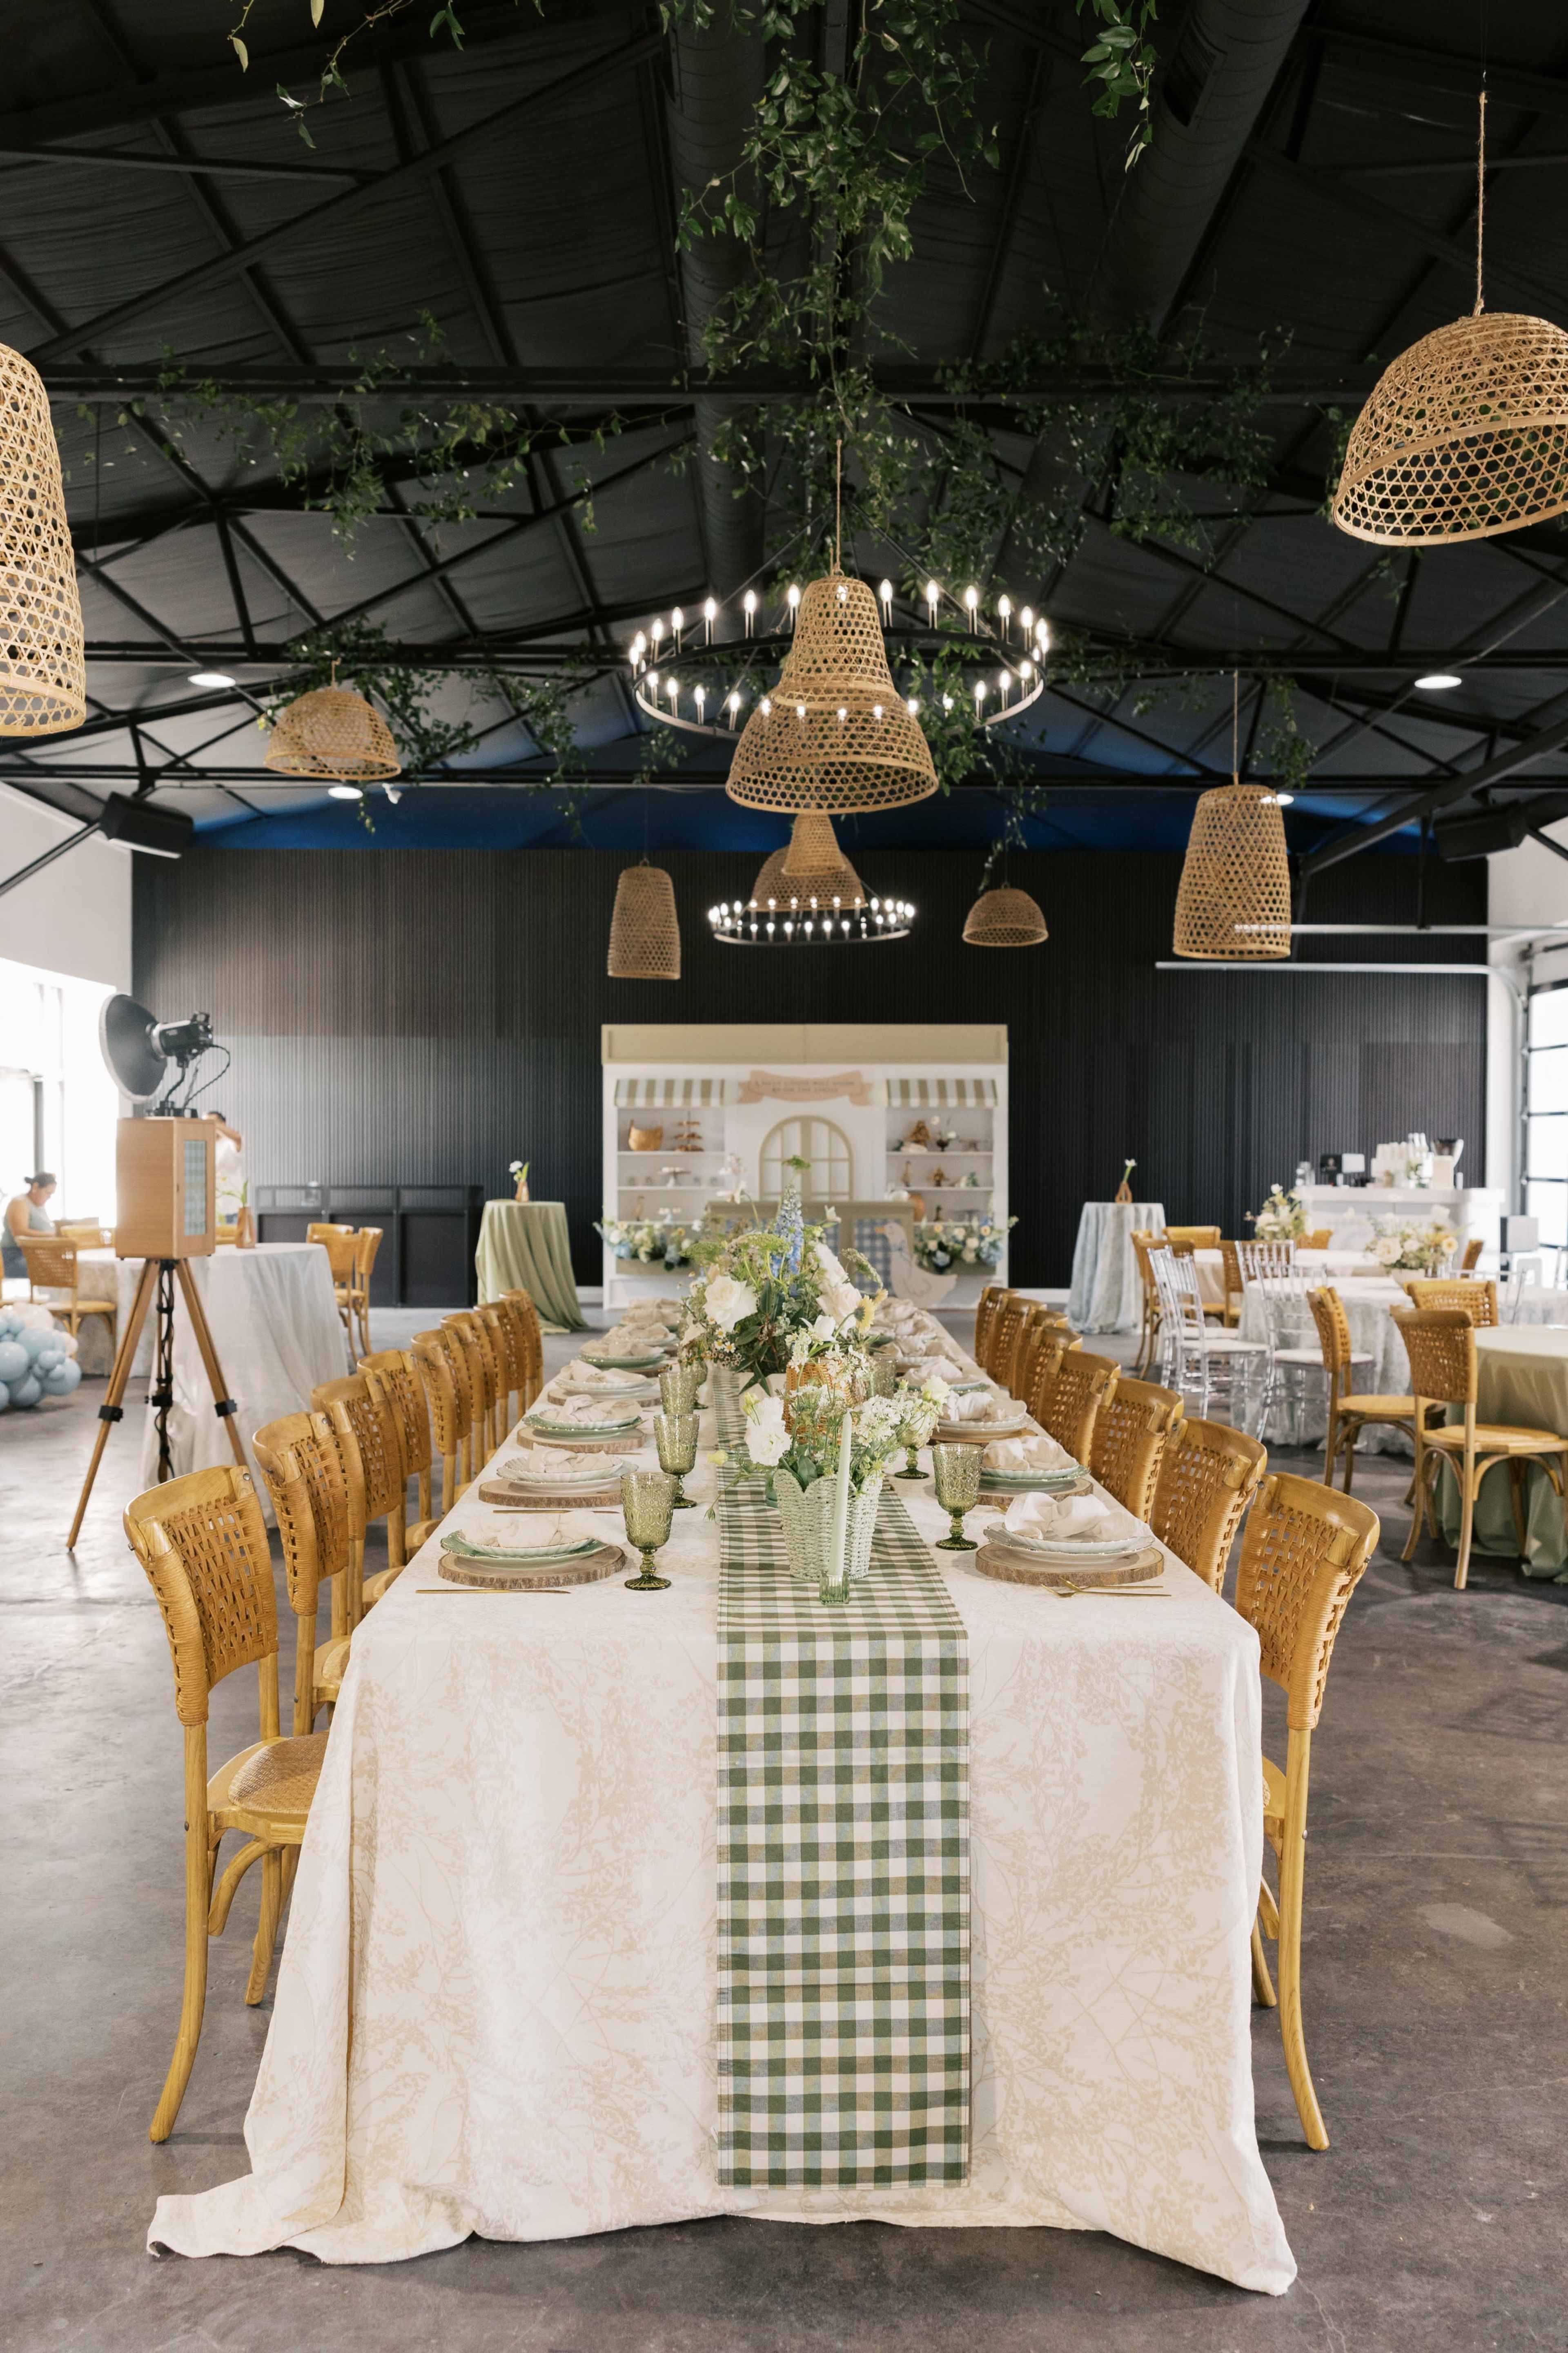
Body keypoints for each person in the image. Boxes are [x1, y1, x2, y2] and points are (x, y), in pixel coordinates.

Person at [3, 1172, 57, 1280]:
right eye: (48, 1193)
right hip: (16, 1256)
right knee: (54, 1271)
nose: (49, 1197)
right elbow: (19, 1233)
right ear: (36, 1187)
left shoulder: (39, 1206)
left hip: (35, 1255)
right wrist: (53, 1235)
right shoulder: (20, 1203)